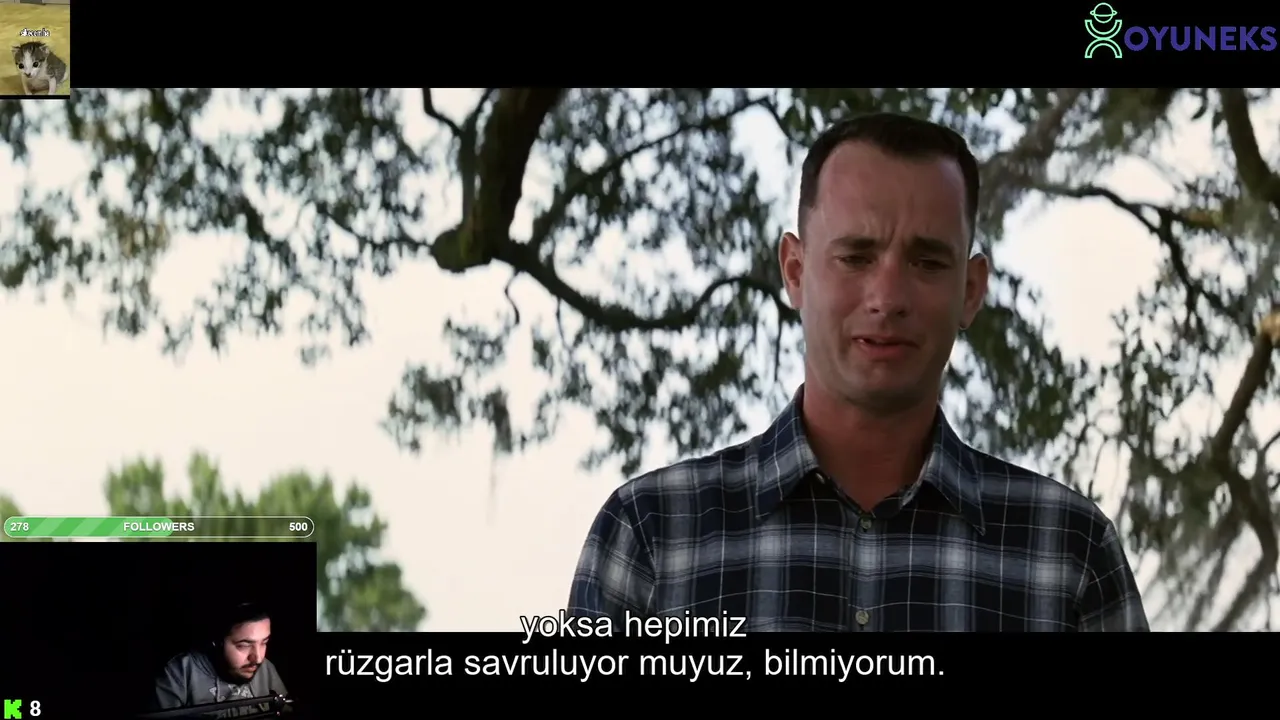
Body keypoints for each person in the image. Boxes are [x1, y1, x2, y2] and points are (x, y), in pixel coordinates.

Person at [567, 113, 1149, 632]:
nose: (887, 297)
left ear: (971, 291)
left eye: (927, 262)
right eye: (856, 257)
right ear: (795, 272)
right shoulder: (652, 537)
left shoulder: (1069, 554)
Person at [152, 601, 290, 717]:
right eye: (243, 645)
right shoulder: (180, 672)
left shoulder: (266, 668)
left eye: (264, 642)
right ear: (217, 642)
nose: (258, 658)